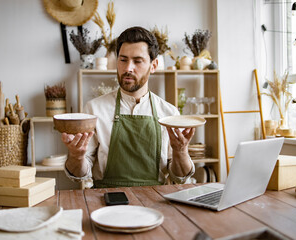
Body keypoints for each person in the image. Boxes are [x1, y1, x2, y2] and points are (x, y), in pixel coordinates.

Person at [62, 26, 196, 188]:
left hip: (155, 202)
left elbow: (179, 177)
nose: (127, 68)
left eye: (137, 61)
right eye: (123, 60)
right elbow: (80, 174)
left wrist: (180, 152)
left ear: (153, 66)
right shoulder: (94, 109)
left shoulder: (169, 113)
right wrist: (76, 156)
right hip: (107, 202)